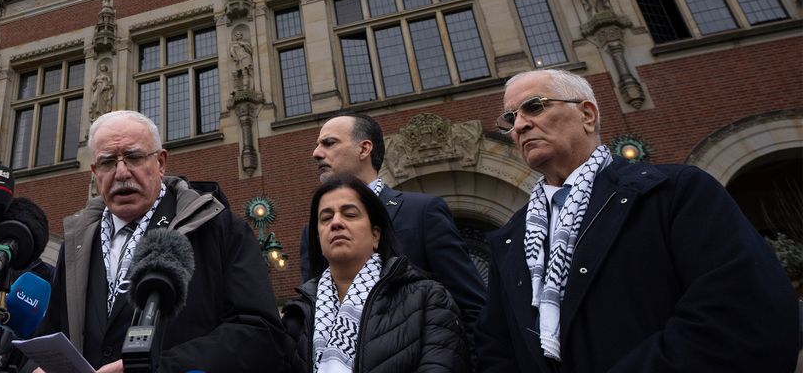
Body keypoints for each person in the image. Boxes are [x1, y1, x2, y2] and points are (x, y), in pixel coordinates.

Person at [476, 68, 799, 372]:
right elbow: (496, 349)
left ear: (587, 114)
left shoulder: (672, 192)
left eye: (534, 106)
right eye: (511, 118)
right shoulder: (512, 238)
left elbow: (740, 313)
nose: (519, 125)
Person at [35, 110, 287, 373]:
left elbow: (262, 334)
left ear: (160, 162)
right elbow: (50, 334)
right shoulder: (76, 244)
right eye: (108, 162)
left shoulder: (216, 228)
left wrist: (157, 368)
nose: (121, 172)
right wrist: (38, 366)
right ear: (95, 172)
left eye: (134, 157)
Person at [302, 113, 485, 345]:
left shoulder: (421, 213)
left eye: (329, 143)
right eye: (318, 145)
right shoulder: (313, 231)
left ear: (364, 149)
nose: (316, 153)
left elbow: (471, 309)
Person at [283, 175, 468, 373]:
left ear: (375, 235)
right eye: (326, 218)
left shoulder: (428, 299)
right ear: (319, 240)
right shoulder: (296, 318)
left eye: (350, 214)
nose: (336, 223)